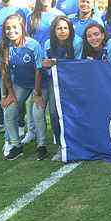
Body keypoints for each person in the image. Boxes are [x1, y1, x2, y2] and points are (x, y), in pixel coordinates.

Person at [0, 14, 44, 160]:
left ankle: (41, 145)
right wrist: (9, 94)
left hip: (39, 84)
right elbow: (4, 73)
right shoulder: (4, 47)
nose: (11, 31)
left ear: (22, 27)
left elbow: (39, 70)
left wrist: (36, 93)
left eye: (14, 27)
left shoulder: (33, 45)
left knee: (36, 111)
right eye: (7, 28)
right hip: (20, 85)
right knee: (9, 112)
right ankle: (16, 145)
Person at [0, 0, 30, 137]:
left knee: (18, 88)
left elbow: (26, 33)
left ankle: (20, 123)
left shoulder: (22, 10)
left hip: (17, 56)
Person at [23, 0, 64, 146]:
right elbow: (27, 37)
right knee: (31, 100)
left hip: (52, 60)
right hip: (35, 61)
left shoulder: (59, 15)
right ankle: (31, 131)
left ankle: (56, 133)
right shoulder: (32, 16)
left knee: (53, 103)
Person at [40, 15, 82, 162]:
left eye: (65, 28)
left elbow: (77, 64)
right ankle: (60, 145)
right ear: (54, 30)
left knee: (73, 111)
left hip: (74, 82)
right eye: (59, 28)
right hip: (55, 82)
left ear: (70, 29)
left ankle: (77, 141)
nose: (62, 31)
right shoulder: (47, 44)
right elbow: (45, 66)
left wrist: (56, 62)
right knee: (53, 111)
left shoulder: (77, 42)